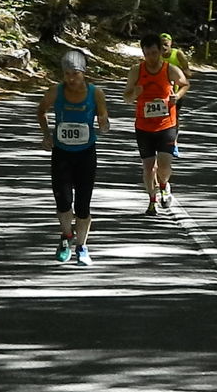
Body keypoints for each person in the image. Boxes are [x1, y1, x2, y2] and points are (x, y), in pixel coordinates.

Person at [37, 50, 110, 266]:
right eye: (67, 74)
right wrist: (46, 135)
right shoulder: (55, 92)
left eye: (75, 74)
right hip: (62, 153)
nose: (71, 79)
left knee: (83, 204)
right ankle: (67, 236)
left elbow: (103, 117)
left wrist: (104, 124)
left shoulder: (95, 93)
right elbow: (41, 111)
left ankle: (82, 246)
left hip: (86, 153)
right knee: (63, 201)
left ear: (84, 73)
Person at [123, 34, 190, 216]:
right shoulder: (136, 71)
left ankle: (164, 184)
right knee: (147, 167)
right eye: (147, 54)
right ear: (143, 53)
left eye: (154, 53)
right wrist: (134, 93)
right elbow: (126, 97)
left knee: (164, 165)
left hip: (166, 124)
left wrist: (178, 95)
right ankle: (152, 200)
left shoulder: (170, 69)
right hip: (144, 126)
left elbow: (184, 83)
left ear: (161, 51)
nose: (151, 58)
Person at [160, 32, 192, 157]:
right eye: (161, 44)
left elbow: (187, 70)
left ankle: (174, 143)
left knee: (174, 117)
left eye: (166, 44)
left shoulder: (177, 54)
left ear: (170, 44)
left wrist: (182, 73)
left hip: (175, 91)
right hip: (159, 92)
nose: (163, 47)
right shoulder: (155, 55)